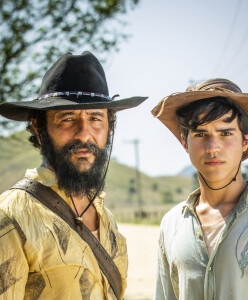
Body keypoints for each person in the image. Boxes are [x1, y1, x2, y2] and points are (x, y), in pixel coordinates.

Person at [0, 51, 147, 300]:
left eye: (95, 118)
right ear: (39, 127)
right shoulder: (11, 217)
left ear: (110, 126)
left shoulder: (106, 219)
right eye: (67, 118)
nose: (84, 134)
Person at [151, 78, 248, 299]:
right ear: (185, 142)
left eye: (226, 133)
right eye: (200, 134)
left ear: (245, 141)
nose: (213, 148)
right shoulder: (172, 223)